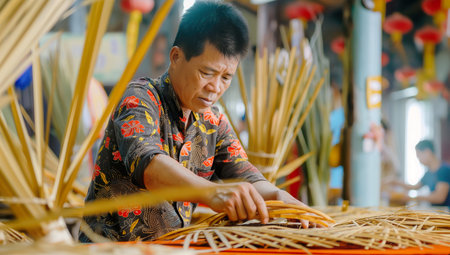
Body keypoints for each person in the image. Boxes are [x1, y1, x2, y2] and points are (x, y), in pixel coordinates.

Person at [80, 1, 313, 242]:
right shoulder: (140, 98)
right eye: (207, 73)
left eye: (226, 77)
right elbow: (150, 166)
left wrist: (277, 195)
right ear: (176, 57)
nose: (215, 88)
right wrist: (211, 193)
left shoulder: (213, 122)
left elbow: (244, 175)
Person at [389, 140, 450, 208]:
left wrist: (413, 197)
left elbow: (439, 197)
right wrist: (395, 182)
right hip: (438, 213)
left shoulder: (444, 170)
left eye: (419, 156)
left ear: (427, 152)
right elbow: (415, 187)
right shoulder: (428, 173)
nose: (419, 160)